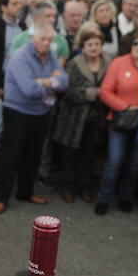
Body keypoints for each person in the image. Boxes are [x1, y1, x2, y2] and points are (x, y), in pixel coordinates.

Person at [0, 23, 67, 214]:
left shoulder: (50, 56)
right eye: (43, 39)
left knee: (33, 156)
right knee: (10, 156)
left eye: (50, 40)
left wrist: (44, 81)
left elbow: (65, 81)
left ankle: (25, 192)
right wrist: (52, 81)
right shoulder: (20, 57)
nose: (47, 43)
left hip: (41, 113)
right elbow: (29, 89)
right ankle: (1, 197)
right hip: (17, 112)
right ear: (33, 38)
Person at [95, 28, 138, 215]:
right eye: (135, 43)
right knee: (115, 161)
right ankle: (103, 198)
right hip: (121, 120)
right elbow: (105, 92)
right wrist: (125, 107)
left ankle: (125, 196)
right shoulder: (119, 63)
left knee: (135, 163)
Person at [51, 22, 111, 204]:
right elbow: (68, 91)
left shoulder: (109, 62)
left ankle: (84, 187)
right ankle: (67, 188)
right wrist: (93, 93)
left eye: (97, 44)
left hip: (96, 118)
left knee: (88, 154)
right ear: (83, 47)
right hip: (73, 117)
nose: (94, 48)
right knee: (70, 154)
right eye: (89, 44)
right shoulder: (74, 64)